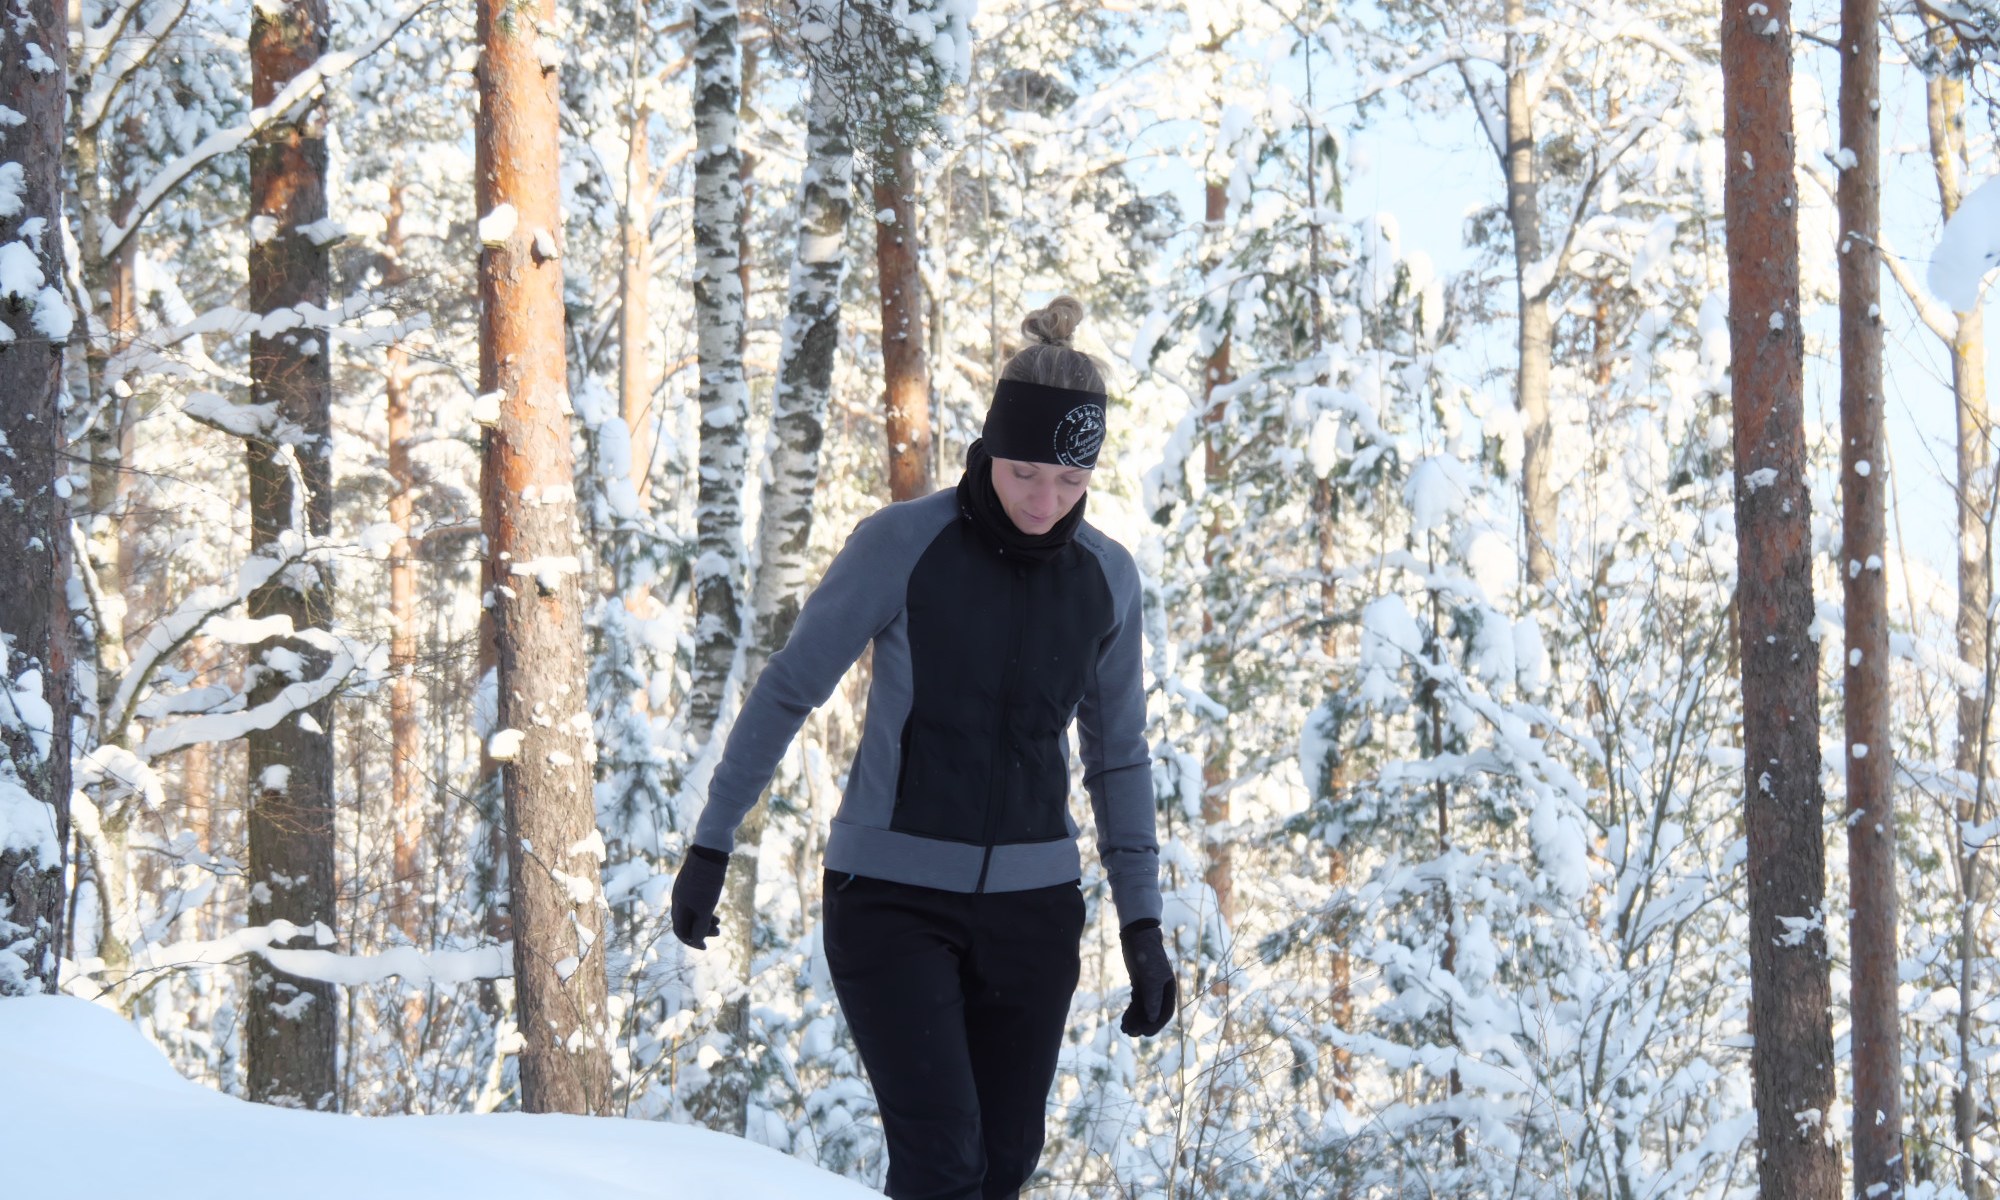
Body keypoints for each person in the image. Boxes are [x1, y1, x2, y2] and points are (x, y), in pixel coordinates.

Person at [669, 296, 1176, 1200]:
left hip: (1034, 911)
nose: (1044, 501)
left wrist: (1141, 923)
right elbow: (791, 687)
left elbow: (1119, 759)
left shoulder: (1107, 579)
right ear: (989, 448)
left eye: (1070, 482)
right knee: (942, 1163)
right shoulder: (902, 545)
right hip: (890, 900)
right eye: (1026, 473)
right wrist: (713, 841)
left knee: (1005, 1168)